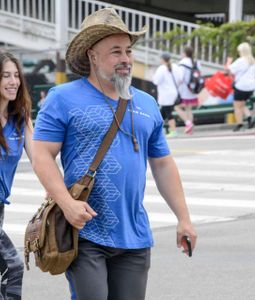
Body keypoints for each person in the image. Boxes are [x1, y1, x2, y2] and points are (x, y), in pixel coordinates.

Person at [31, 8, 197, 300]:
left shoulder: (147, 103)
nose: (125, 59)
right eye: (116, 51)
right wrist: (67, 204)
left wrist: (184, 218)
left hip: (134, 233)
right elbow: (42, 155)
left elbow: (162, 164)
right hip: (83, 232)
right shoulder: (62, 98)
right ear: (92, 56)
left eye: (129, 51)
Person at [0, 52, 33, 300]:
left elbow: (40, 159)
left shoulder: (20, 117)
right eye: (5, 76)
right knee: (13, 266)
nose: (13, 81)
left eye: (16, 76)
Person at [225, 42, 255, 132]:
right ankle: (250, 118)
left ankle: (239, 124)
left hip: (241, 86)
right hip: (251, 87)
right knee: (242, 104)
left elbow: (229, 70)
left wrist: (228, 62)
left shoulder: (241, 60)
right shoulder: (253, 61)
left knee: (237, 106)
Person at [152, 52, 181, 138]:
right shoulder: (175, 67)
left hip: (165, 94)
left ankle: (173, 130)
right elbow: (180, 78)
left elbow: (156, 81)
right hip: (173, 92)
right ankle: (158, 130)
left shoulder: (162, 68)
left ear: (162, 59)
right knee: (162, 113)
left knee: (168, 112)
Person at [175, 46, 201, 134]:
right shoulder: (196, 62)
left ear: (184, 53)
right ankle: (190, 130)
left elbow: (180, 78)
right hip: (193, 89)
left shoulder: (182, 63)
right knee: (189, 109)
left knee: (177, 107)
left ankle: (188, 123)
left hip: (184, 90)